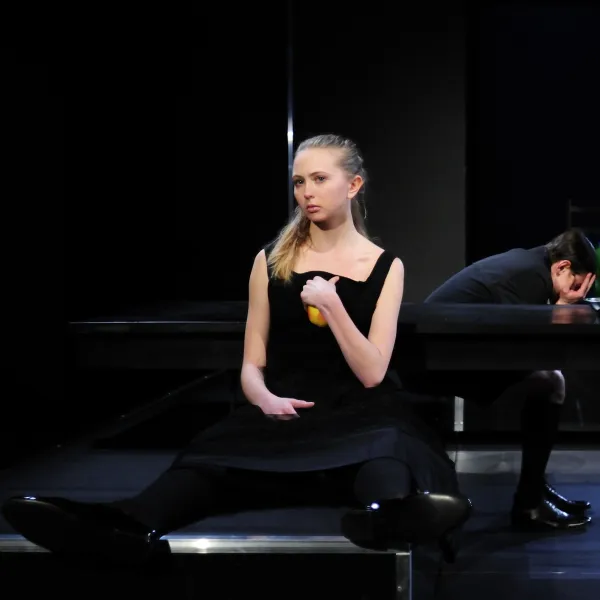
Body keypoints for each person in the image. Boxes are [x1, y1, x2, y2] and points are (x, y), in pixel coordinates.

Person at [2, 134, 470, 565]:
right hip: (284, 402)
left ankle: (389, 518)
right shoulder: (271, 261)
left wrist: (332, 306)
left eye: (319, 179)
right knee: (208, 459)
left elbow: (372, 372)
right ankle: (121, 525)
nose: (306, 192)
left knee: (389, 451)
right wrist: (263, 398)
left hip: (360, 407)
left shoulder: (385, 266)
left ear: (353, 185)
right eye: (299, 182)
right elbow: (251, 363)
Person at [400, 228, 598, 531]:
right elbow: (532, 345)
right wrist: (562, 308)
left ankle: (534, 491)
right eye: (575, 284)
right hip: (433, 363)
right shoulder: (528, 276)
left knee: (548, 380)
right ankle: (529, 504)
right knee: (550, 382)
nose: (578, 293)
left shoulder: (533, 264)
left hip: (449, 351)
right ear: (562, 267)